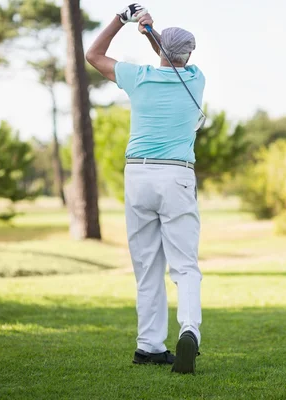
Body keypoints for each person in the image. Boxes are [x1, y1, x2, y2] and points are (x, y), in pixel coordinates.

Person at [86, 3, 204, 374]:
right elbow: (174, 61)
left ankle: (149, 346)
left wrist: (125, 21)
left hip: (138, 176)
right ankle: (189, 331)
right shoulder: (196, 79)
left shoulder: (137, 77)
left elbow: (93, 55)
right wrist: (153, 34)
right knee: (184, 266)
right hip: (176, 177)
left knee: (146, 266)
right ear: (190, 54)